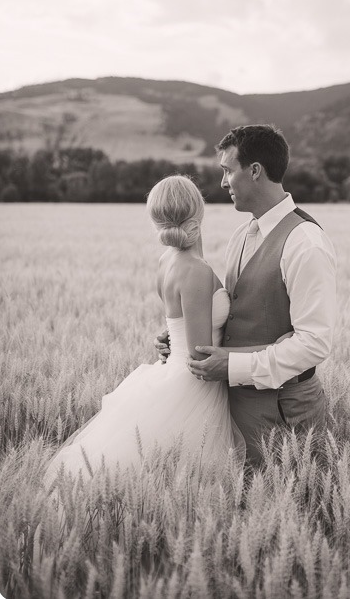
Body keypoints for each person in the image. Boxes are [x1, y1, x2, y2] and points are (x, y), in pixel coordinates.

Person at [42, 175, 245, 500]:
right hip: (195, 388)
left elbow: (178, 323)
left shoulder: (168, 261)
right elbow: (199, 354)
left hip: (172, 373)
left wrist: (168, 340)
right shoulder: (197, 271)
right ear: (200, 211)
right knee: (189, 487)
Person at [158, 125, 337, 466]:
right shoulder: (243, 233)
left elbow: (315, 343)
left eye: (227, 170)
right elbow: (238, 308)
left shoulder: (305, 243)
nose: (223, 182)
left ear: (254, 171)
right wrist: (183, 336)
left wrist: (235, 364)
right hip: (231, 405)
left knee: (290, 506)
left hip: (284, 409)